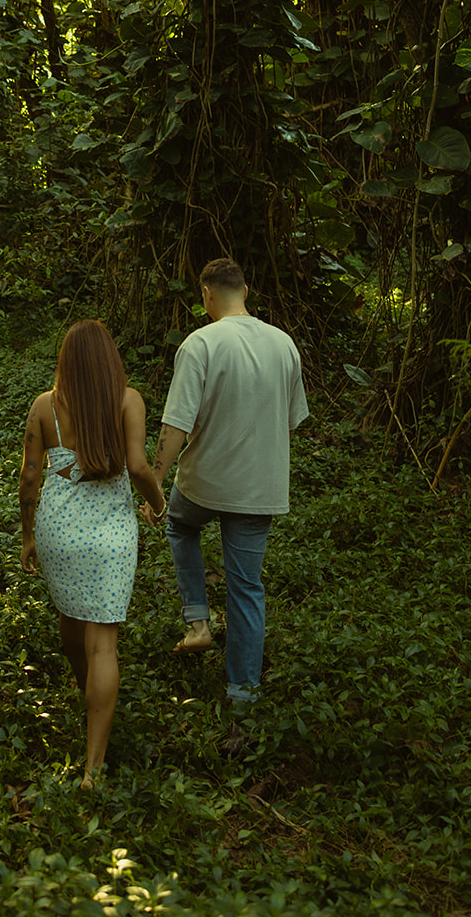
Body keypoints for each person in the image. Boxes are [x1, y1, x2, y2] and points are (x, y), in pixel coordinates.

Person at [143, 258, 308, 740]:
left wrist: (154, 485)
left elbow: (175, 426)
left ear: (206, 294)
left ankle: (197, 621)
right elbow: (293, 418)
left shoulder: (201, 343)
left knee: (179, 523)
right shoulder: (283, 343)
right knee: (247, 587)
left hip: (205, 483)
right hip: (260, 489)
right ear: (246, 290)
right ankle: (244, 696)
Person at [19, 319, 166, 788]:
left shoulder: (45, 406)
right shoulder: (128, 400)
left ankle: (91, 697)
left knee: (70, 622)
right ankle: (93, 767)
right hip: (110, 537)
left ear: (65, 360)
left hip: (57, 532)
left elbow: (29, 477)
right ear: (109, 359)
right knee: (102, 642)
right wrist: (159, 503)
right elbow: (139, 466)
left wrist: (27, 537)